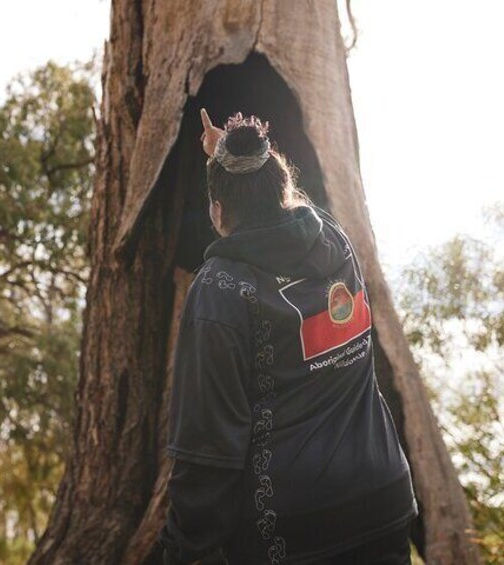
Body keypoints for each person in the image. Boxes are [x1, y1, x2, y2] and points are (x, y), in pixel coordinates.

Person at [158, 110, 418, 564]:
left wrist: (184, 551)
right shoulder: (335, 242)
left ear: (217, 212)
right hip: (384, 501)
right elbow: (289, 199)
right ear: (283, 189)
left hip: (294, 532)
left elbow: (206, 447)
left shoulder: (219, 290)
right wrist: (233, 156)